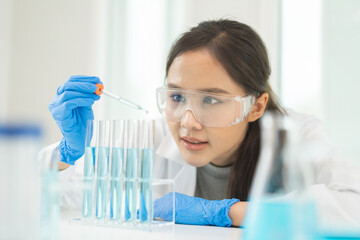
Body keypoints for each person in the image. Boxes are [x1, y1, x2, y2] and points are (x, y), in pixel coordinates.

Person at [46, 19, 360, 227]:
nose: (189, 123)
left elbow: (353, 205)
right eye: (177, 97)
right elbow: (50, 199)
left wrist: (226, 212)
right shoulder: (151, 137)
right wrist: (66, 156)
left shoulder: (296, 136)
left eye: (211, 99)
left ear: (256, 106)